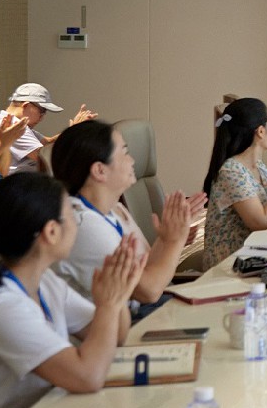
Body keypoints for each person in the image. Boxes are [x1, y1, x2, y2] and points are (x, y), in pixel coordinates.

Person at [0, 172, 144, 408]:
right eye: (71, 215)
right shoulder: (2, 308)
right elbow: (88, 377)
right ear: (51, 232)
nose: (77, 223)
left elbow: (116, 336)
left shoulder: (45, 281)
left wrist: (117, 293)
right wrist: (109, 305)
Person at [50, 118, 205, 303]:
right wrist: (174, 241)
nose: (132, 161)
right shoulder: (83, 225)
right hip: (127, 317)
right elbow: (149, 292)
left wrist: (167, 237)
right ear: (100, 170)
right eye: (125, 153)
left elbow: (146, 267)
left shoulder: (114, 208)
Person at [201, 97, 267, 270]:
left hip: (257, 257)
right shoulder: (231, 171)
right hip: (231, 266)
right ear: (261, 132)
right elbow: (261, 222)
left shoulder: (259, 166)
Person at [1, 82, 97, 173]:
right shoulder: (11, 125)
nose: (42, 118)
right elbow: (44, 157)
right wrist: (74, 131)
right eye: (42, 111)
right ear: (26, 105)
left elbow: (47, 142)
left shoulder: (14, 123)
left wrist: (73, 129)